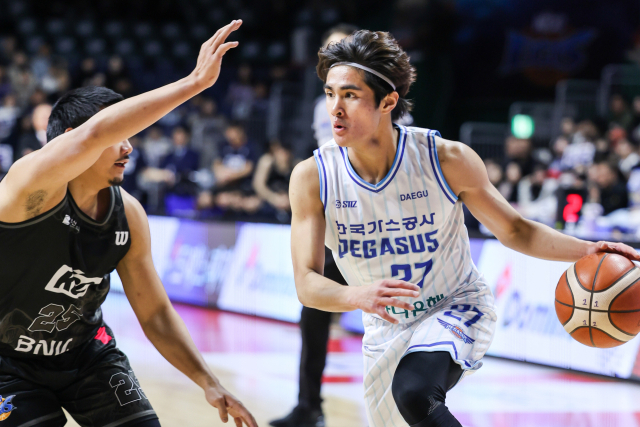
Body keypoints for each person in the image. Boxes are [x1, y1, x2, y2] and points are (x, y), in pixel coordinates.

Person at [288, 30, 640, 427]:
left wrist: (587, 250)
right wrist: (356, 295)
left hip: (455, 305)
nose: (334, 108)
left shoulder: (447, 159)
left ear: (387, 102)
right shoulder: (312, 178)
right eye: (330, 93)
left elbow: (516, 231)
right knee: (406, 401)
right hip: (386, 328)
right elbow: (306, 284)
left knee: (414, 392)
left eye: (349, 95)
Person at [0, 20, 257, 427]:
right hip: (6, 363)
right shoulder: (27, 188)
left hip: (86, 354)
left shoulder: (128, 214)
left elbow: (153, 312)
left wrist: (208, 382)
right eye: (121, 132)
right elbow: (95, 133)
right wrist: (193, 83)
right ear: (71, 138)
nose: (129, 145)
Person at [269, 24, 357, 427]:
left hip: (369, 218)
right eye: (326, 47)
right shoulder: (318, 102)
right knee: (313, 311)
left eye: (337, 46)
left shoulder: (375, 99)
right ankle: (309, 405)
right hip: (330, 215)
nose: (330, 52)